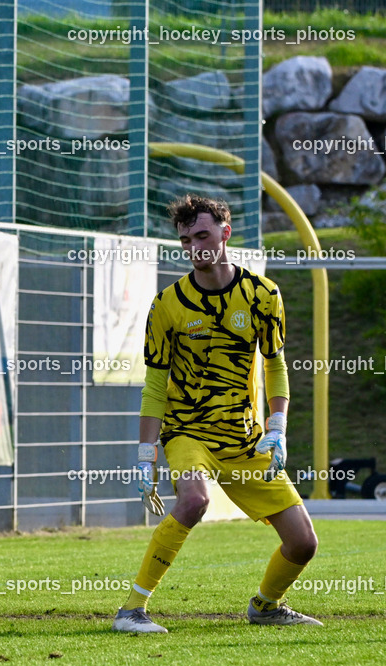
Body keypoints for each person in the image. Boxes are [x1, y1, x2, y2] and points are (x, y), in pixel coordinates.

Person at [112, 194, 321, 634]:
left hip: (244, 438)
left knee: (303, 543)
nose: (194, 248)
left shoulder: (262, 295)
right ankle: (131, 611)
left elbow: (275, 364)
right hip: (187, 431)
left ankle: (266, 606)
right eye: (185, 240)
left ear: (225, 233)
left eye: (202, 236)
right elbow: (154, 385)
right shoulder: (166, 305)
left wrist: (277, 426)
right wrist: (145, 452)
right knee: (194, 500)